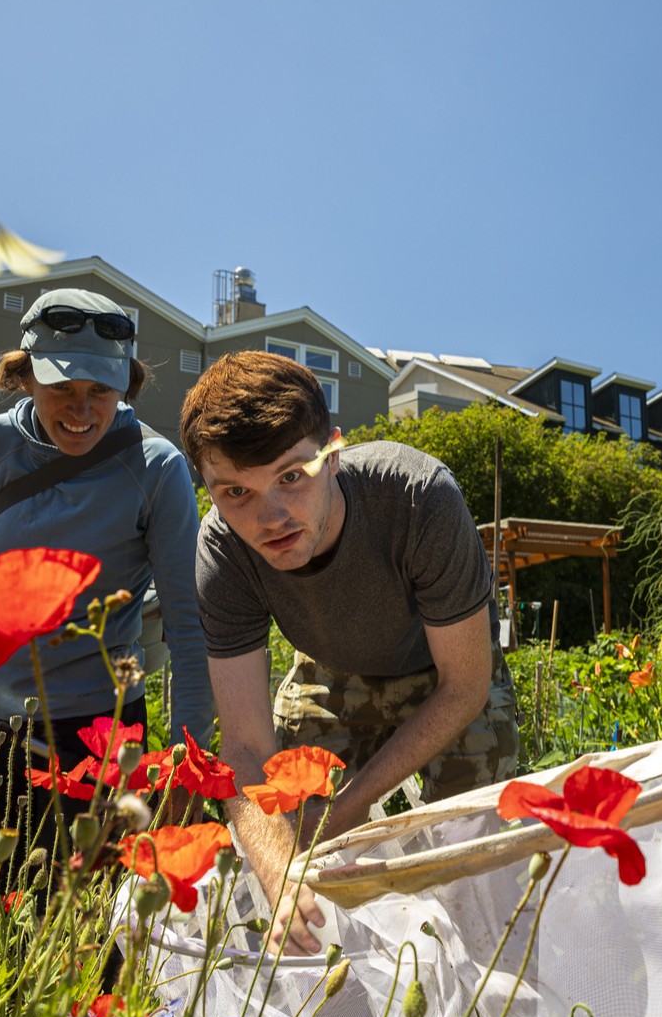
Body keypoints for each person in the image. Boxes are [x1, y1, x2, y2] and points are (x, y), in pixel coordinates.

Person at [179, 350, 519, 953]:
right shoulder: (222, 553)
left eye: (292, 476)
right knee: (280, 833)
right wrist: (284, 874)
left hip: (440, 672)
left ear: (333, 454)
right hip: (330, 670)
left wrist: (346, 810)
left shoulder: (418, 498)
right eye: (236, 492)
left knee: (472, 854)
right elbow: (245, 747)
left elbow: (465, 685)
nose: (270, 517)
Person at [0, 288, 214, 854]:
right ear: (25, 377)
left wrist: (186, 760)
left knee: (81, 921)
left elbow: (188, 625)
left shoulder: (158, 468)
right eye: (61, 388)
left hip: (97, 733)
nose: (81, 411)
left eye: (100, 390)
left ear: (125, 384)